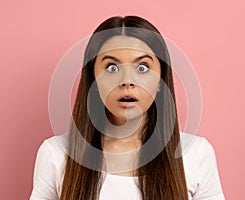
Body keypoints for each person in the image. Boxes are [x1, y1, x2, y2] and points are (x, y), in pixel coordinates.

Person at [30, 15, 225, 200]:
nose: (127, 81)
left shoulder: (196, 153)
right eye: (112, 68)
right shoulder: (55, 153)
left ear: (160, 81)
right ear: (94, 82)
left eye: (142, 67)